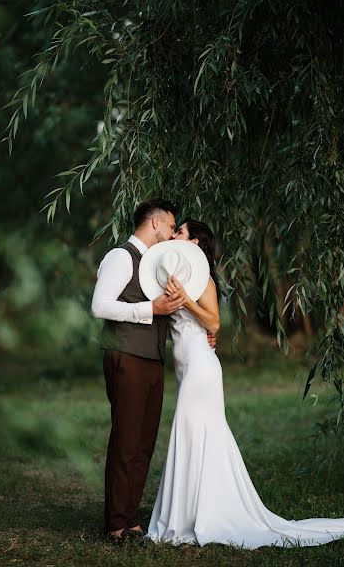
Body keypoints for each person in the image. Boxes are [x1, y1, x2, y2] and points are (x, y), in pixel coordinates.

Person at [144, 219, 344, 550]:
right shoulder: (175, 280)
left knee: (191, 430)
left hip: (201, 369)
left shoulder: (204, 281)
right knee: (199, 435)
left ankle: (196, 516)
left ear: (194, 243)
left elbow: (213, 322)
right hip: (186, 368)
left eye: (179, 231)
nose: (174, 235)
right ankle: (189, 511)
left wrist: (185, 300)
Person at [91, 200, 216, 543]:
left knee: (144, 443)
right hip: (127, 357)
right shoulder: (121, 257)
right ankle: (116, 524)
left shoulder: (154, 265)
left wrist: (206, 326)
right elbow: (99, 305)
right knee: (126, 442)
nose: (173, 234)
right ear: (157, 223)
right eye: (171, 226)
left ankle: (131, 520)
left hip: (152, 360)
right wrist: (151, 308)